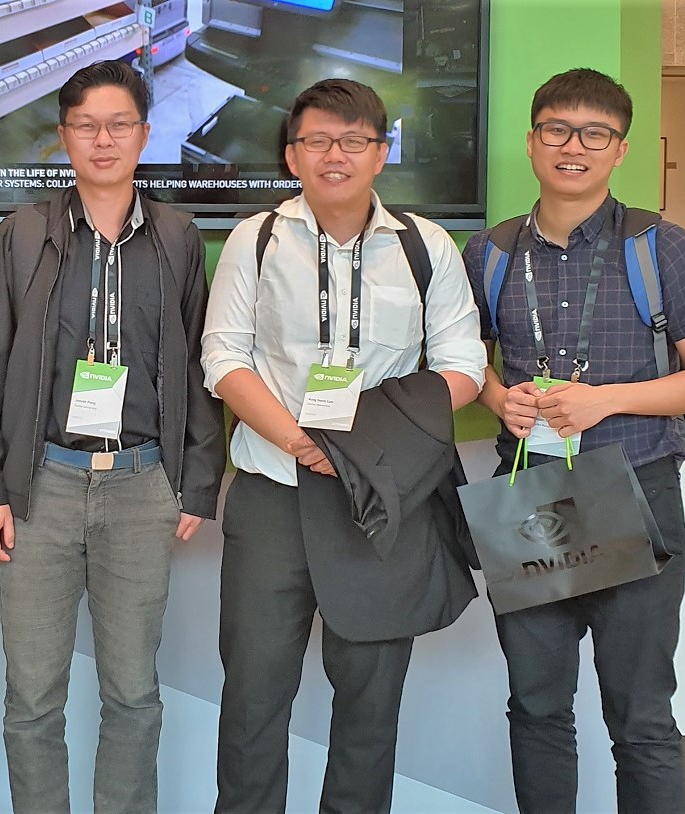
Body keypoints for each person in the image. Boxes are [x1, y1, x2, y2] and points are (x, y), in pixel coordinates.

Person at [201, 78, 486, 813]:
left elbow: (463, 366)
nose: (336, 155)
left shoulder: (425, 245)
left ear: (381, 153)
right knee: (253, 700)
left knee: (369, 709)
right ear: (292, 155)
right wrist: (300, 442)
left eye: (354, 140)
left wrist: (362, 444)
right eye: (318, 141)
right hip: (273, 494)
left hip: (383, 501)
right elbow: (223, 359)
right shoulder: (255, 240)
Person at [0, 60, 226, 812]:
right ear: (64, 135)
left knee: (133, 693)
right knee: (32, 698)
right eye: (86, 126)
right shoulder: (24, 233)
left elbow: (199, 361)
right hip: (39, 486)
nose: (103, 140)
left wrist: (194, 481)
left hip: (142, 485)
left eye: (118, 125)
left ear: (144, 133)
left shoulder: (177, 235)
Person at [463, 67, 685, 814]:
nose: (573, 146)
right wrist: (500, 398)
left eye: (595, 134)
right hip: (530, 495)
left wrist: (603, 401)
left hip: (637, 490)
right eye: (557, 129)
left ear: (620, 150)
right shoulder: (490, 252)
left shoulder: (661, 247)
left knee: (641, 717)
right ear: (531, 141)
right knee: (536, 707)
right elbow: (468, 362)